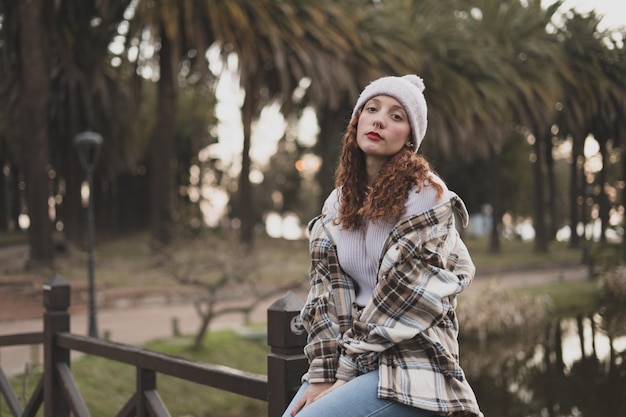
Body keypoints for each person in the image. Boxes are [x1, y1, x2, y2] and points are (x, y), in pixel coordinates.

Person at [283, 75, 483, 417]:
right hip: (350, 353)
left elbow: (404, 296)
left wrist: (345, 372)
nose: (379, 120)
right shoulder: (338, 203)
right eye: (371, 109)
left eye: (396, 116)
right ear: (356, 122)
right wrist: (321, 373)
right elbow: (325, 293)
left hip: (412, 358)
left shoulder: (426, 196)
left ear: (410, 138)